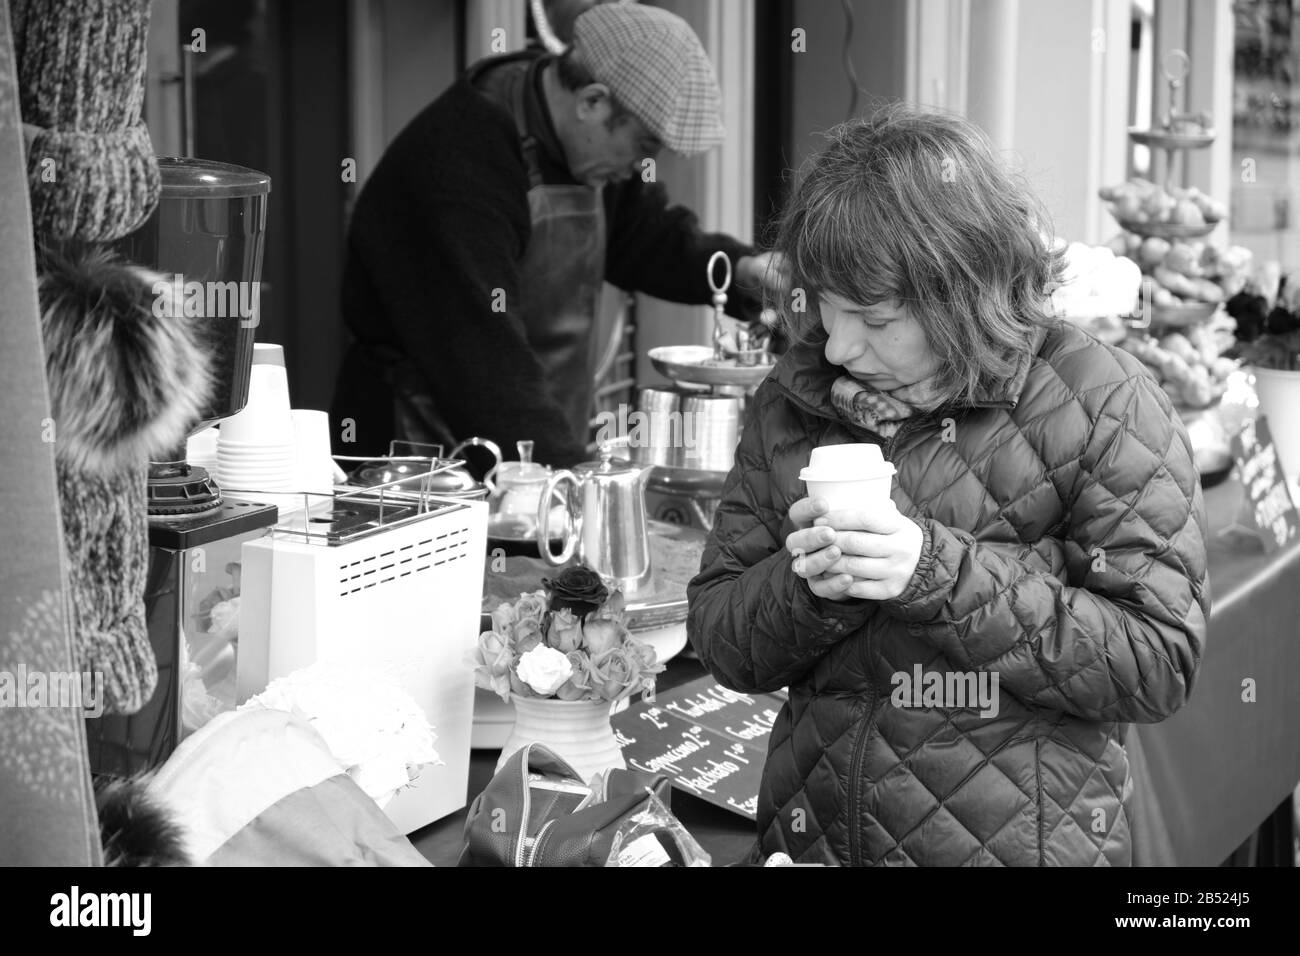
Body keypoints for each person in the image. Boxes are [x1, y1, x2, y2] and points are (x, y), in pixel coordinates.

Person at [686, 105, 1210, 866]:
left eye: (872, 317)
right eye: (826, 308)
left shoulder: (1102, 401)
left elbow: (1157, 663)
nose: (838, 344)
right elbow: (723, 641)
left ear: (961, 294)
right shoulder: (794, 398)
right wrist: (812, 590)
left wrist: (934, 572)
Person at [331, 2, 780, 466]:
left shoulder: (580, 143)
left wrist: (744, 271)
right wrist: (568, 481)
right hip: (417, 454)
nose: (642, 167)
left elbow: (646, 237)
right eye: (644, 147)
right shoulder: (459, 162)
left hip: (527, 433)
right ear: (592, 102)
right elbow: (483, 360)